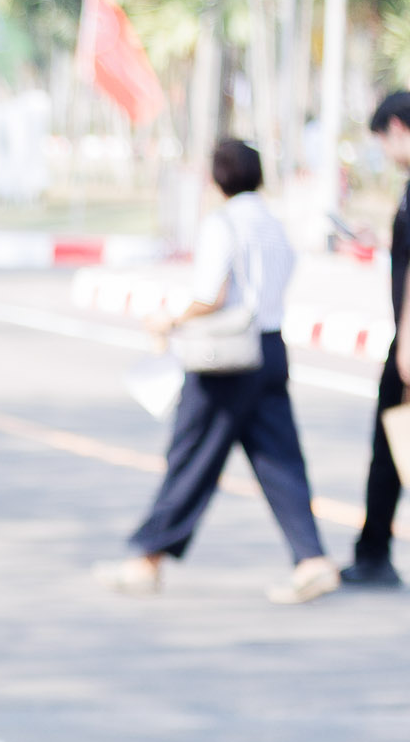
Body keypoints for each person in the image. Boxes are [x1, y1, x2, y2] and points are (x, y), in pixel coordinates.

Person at [96, 140, 334, 602]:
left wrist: (169, 320)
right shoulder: (272, 223)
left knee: (192, 454)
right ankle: (312, 560)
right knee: (279, 457)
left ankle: (147, 560)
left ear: (217, 178)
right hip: (270, 346)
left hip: (227, 356)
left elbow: (211, 295)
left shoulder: (222, 223)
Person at [347, 91, 410, 588]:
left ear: (397, 128)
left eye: (382, 141)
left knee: (388, 446)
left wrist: (409, 338)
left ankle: (373, 555)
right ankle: (372, 552)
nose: (385, 153)